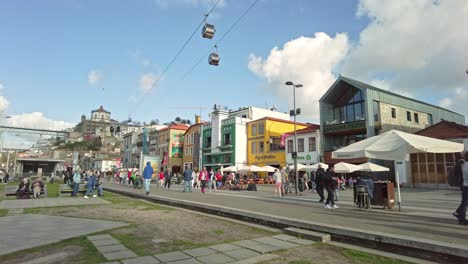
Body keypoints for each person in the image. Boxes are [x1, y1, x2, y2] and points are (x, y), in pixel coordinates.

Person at [453, 152, 468, 225]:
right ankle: (462, 219)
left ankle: (458, 212)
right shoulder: (466, 165)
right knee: (465, 203)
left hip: (464, 186)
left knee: (465, 202)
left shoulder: (462, 164)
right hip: (467, 186)